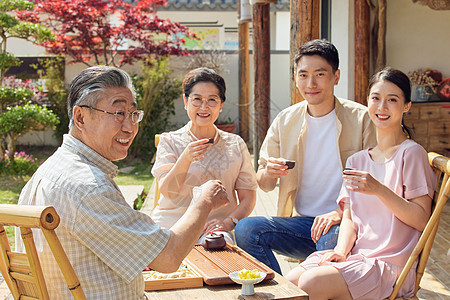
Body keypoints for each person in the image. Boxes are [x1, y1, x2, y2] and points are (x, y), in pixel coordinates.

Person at [15, 66, 229, 299]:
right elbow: (168, 258)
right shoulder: (88, 186)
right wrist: (205, 199)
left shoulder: (48, 171)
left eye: (133, 114)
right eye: (118, 113)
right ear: (80, 117)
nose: (129, 126)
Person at [285, 67, 437, 299]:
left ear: (406, 106)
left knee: (310, 282)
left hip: (389, 266)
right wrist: (340, 251)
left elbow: (421, 219)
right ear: (368, 102)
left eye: (392, 100)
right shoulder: (357, 160)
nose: (382, 107)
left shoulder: (411, 153)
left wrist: (379, 190)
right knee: (291, 282)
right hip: (357, 258)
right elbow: (348, 217)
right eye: (376, 98)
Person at [235, 39, 376, 274]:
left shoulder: (362, 119)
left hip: (347, 223)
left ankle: (311, 286)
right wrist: (269, 172)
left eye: (320, 74)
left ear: (336, 76)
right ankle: (284, 293)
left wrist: (340, 213)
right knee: (246, 229)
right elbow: (264, 184)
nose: (311, 83)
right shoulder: (285, 120)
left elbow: (378, 181)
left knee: (330, 242)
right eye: (303, 75)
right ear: (296, 77)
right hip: (303, 225)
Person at [151, 67, 257, 244]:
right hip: (172, 226)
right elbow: (168, 192)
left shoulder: (235, 144)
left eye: (212, 100)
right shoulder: (169, 141)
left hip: (213, 230)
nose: (204, 107)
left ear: (221, 105)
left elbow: (248, 198)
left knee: (220, 250)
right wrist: (186, 158)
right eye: (197, 99)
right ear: (185, 101)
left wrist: (228, 222)